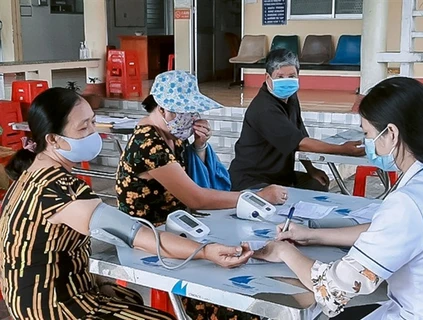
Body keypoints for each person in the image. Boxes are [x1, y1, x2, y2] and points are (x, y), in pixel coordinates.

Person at [0, 88, 253, 320]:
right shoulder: (60, 190)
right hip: (52, 306)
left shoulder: (31, 173)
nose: (94, 131)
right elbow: (137, 234)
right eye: (83, 127)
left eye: (92, 121)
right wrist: (206, 251)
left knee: (129, 297)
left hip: (31, 295)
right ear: (53, 139)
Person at [253, 77, 423, 319]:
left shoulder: (411, 201)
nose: (367, 143)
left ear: (391, 133)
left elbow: (333, 288)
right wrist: (312, 235)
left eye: (368, 134)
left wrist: (284, 252)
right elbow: (391, 231)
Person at [115, 70, 286, 225]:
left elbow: (193, 175)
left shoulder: (172, 136)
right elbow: (195, 198)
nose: (194, 117)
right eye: (187, 112)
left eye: (194, 111)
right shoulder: (148, 144)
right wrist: (258, 197)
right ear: (162, 109)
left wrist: (199, 145)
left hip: (177, 223)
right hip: (148, 233)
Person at [228, 48, 365, 192]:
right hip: (252, 180)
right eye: (280, 76)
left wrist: (311, 169)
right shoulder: (264, 109)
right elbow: (300, 143)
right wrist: (342, 149)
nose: (286, 81)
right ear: (268, 78)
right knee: (282, 200)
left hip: (281, 176)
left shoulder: (290, 97)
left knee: (318, 183)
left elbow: (300, 132)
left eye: (292, 75)